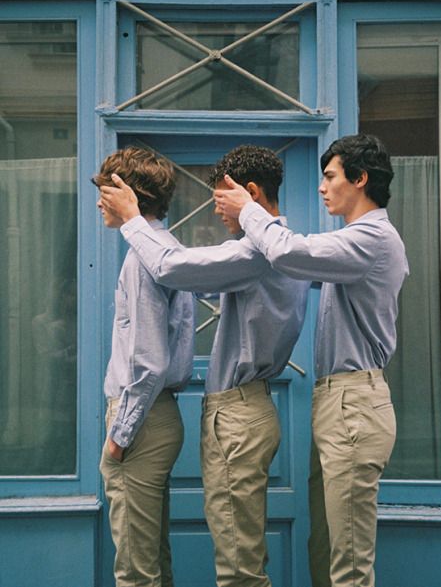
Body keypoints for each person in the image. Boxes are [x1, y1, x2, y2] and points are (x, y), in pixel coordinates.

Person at [99, 145, 309, 587]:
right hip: (238, 411)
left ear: (248, 193)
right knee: (225, 559)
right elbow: (185, 276)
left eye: (219, 200)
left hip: (238, 414)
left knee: (238, 571)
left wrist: (119, 435)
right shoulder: (263, 251)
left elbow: (172, 268)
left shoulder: (260, 252)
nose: (216, 213)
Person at [213, 134, 409, 587]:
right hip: (341, 405)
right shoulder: (352, 243)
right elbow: (290, 266)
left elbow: (288, 252)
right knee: (326, 553)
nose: (321, 187)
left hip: (353, 405)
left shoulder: (372, 239)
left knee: (349, 564)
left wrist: (250, 211)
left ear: (359, 179)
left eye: (330, 176)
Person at [93, 147, 194, 587]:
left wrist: (119, 437)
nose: (99, 201)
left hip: (141, 422)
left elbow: (150, 362)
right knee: (152, 560)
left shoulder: (142, 260)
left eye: (105, 191)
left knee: (136, 572)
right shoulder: (164, 249)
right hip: (156, 417)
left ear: (127, 195)